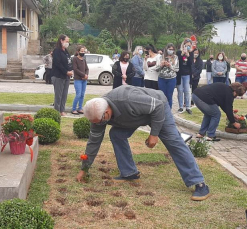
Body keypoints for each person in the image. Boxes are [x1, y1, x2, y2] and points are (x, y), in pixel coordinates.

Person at [76, 85, 211, 201]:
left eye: (100, 121)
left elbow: (157, 106)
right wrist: (84, 168)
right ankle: (129, 173)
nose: (99, 124)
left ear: (106, 112)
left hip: (158, 108)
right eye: (95, 122)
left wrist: (154, 134)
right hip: (134, 116)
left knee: (174, 142)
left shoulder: (126, 99)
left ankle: (199, 184)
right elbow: (94, 141)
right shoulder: (98, 115)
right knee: (116, 134)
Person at [52, 34, 73, 116]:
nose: (68, 43)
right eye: (66, 41)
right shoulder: (57, 51)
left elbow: (69, 62)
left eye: (68, 41)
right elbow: (58, 64)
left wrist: (71, 70)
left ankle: (62, 110)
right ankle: (57, 111)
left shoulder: (66, 51)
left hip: (66, 76)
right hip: (58, 76)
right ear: (61, 40)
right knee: (58, 95)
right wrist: (66, 71)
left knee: (64, 94)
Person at [157, 43, 179, 108]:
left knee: (169, 96)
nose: (171, 50)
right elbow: (156, 69)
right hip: (162, 78)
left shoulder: (175, 57)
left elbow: (177, 69)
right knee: (162, 96)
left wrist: (170, 66)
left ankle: (169, 111)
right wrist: (162, 65)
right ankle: (163, 111)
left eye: (172, 49)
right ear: (166, 49)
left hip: (171, 79)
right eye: (169, 49)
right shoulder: (161, 57)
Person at [177, 38, 194, 115]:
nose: (187, 47)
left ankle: (188, 107)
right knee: (180, 90)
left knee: (187, 91)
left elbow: (191, 63)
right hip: (180, 74)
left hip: (187, 74)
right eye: (186, 45)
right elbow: (178, 62)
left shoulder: (191, 53)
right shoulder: (179, 52)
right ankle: (180, 106)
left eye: (189, 45)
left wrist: (188, 55)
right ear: (183, 45)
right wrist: (182, 54)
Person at [71, 46, 89, 115]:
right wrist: (83, 75)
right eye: (81, 51)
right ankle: (74, 109)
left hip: (84, 80)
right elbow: (75, 69)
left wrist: (86, 75)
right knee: (78, 94)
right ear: (78, 52)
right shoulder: (75, 59)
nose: (83, 53)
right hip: (78, 79)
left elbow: (87, 68)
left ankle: (80, 108)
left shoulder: (84, 59)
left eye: (84, 51)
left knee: (82, 94)